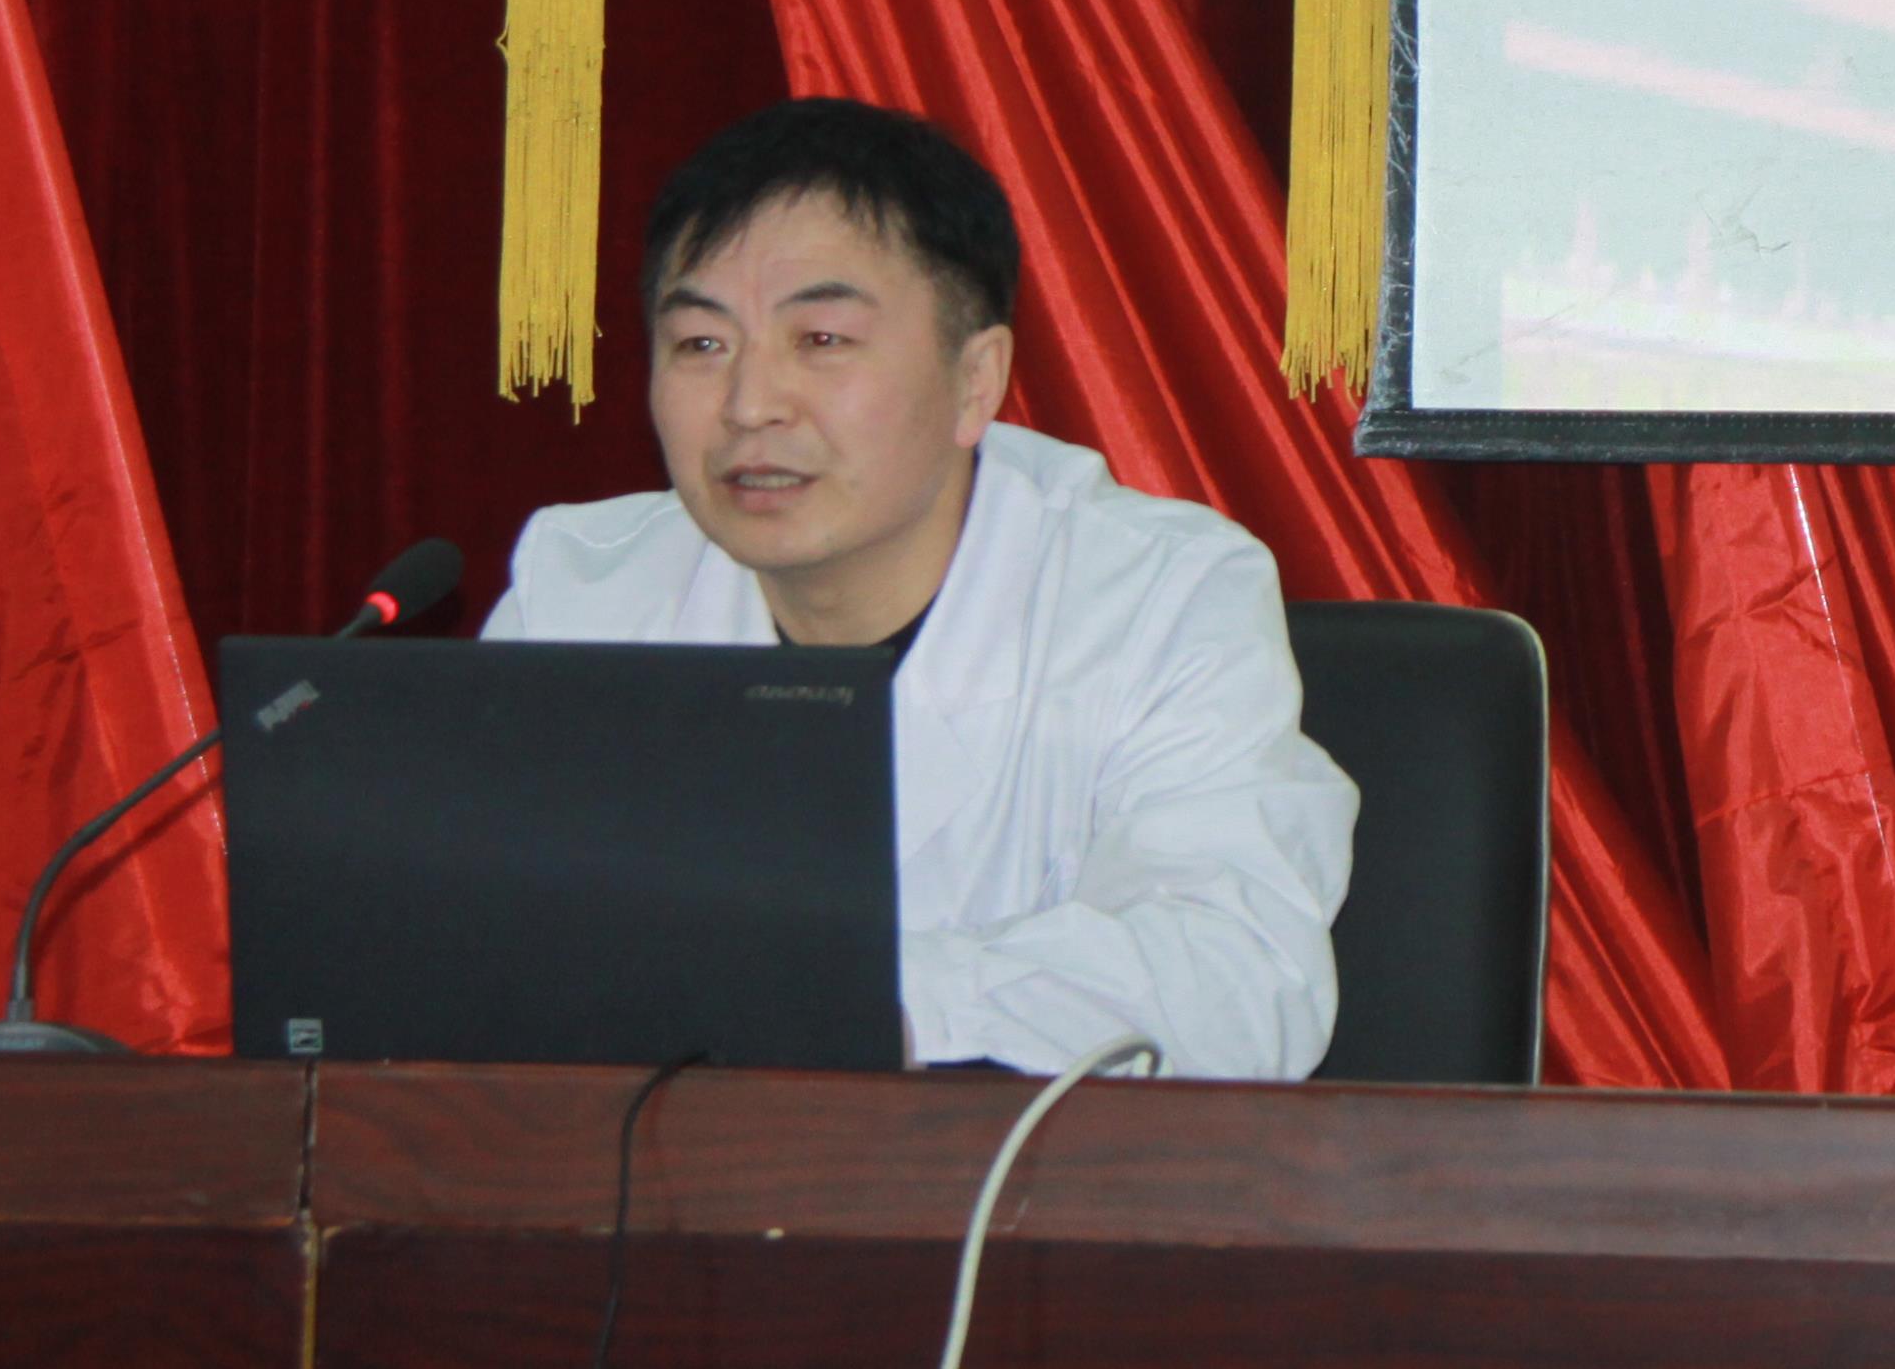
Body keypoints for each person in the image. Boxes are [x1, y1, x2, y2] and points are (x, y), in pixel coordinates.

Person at [482, 96, 1353, 1075]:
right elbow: (481, 940)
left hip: (1020, 1172)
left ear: (975, 381)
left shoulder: (1158, 594)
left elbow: (1236, 979)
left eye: (821, 340)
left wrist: (835, 998)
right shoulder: (581, 590)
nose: (749, 405)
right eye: (701, 344)